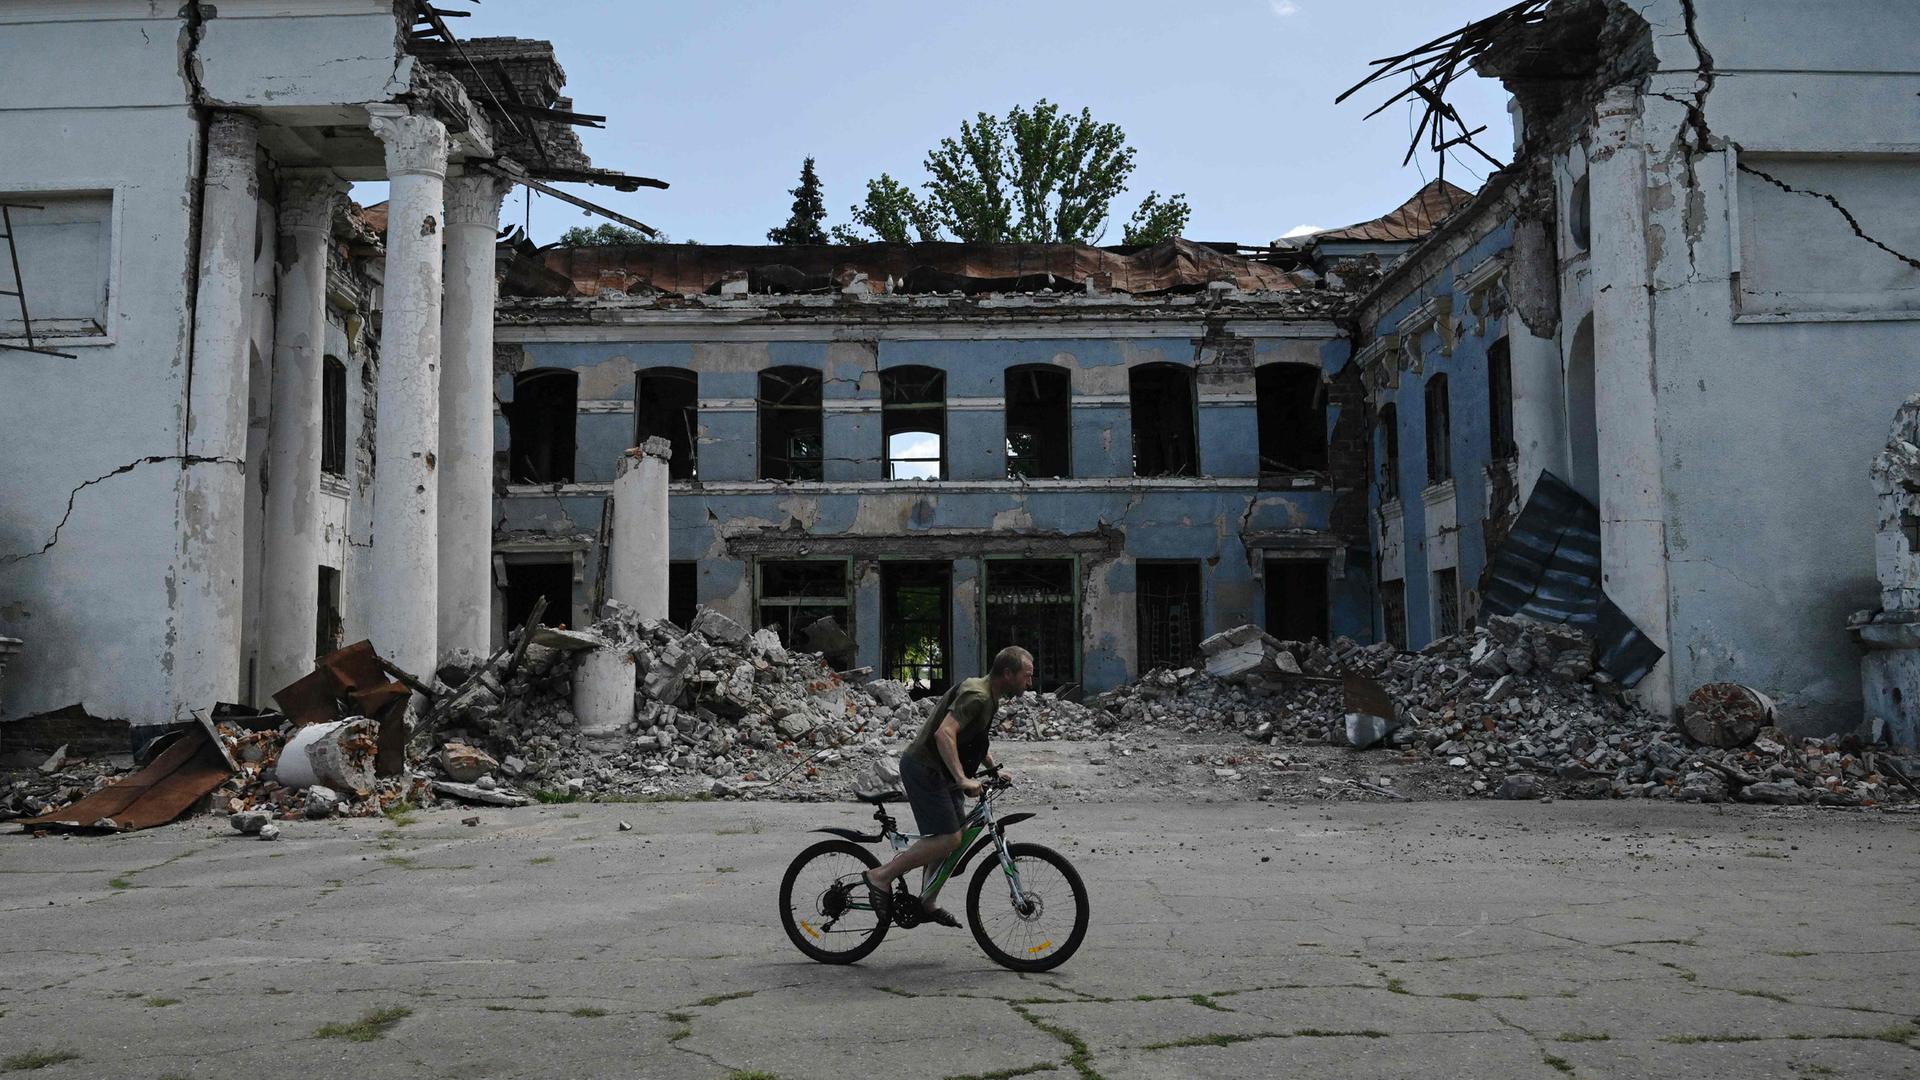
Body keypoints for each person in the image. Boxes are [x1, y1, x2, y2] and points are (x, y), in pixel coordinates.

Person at [864, 645, 1033, 927]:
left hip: (941, 770)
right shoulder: (977, 695)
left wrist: (991, 768)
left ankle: (926, 902)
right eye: (1027, 676)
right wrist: (962, 779)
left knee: (957, 838)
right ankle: (880, 876)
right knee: (949, 839)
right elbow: (945, 734)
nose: (1030, 682)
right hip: (925, 768)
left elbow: (974, 739)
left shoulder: (990, 695)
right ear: (1008, 674)